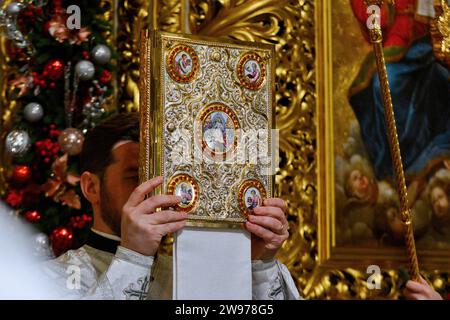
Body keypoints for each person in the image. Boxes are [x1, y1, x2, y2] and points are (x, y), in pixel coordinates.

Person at [40, 112, 301, 300]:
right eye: (136, 178)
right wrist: (133, 258)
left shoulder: (190, 273)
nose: (155, 192)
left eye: (164, 179)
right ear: (91, 188)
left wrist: (260, 265)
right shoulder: (55, 275)